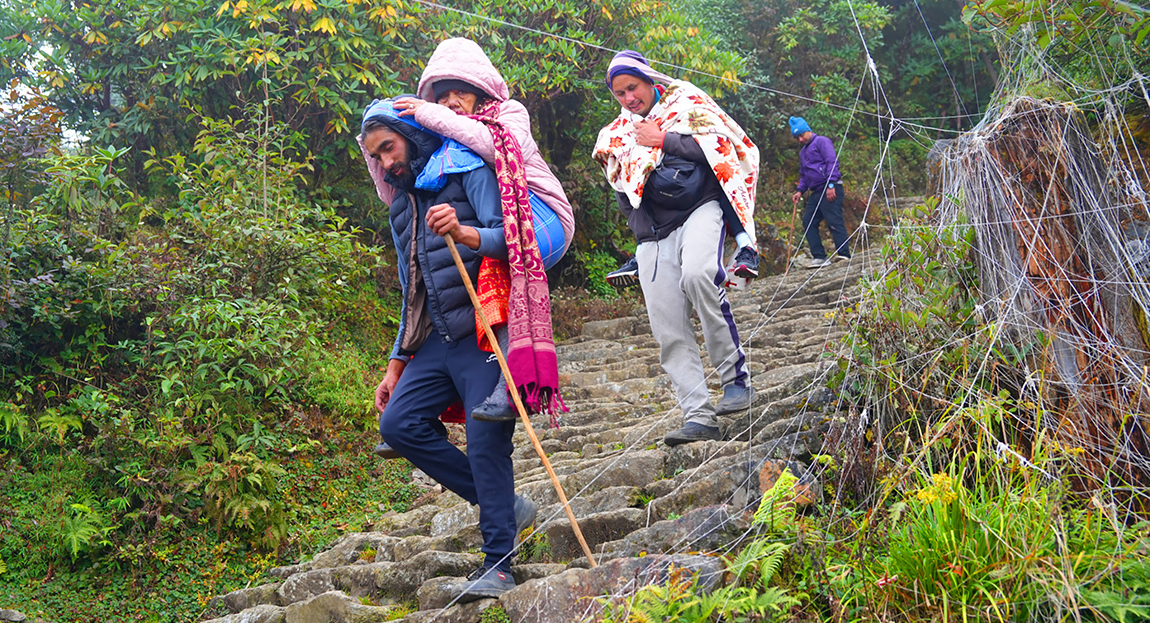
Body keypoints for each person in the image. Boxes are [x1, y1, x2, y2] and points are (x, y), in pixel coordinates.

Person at [362, 97, 535, 601]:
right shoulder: (402, 205)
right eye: (376, 157)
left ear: (410, 136)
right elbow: (411, 289)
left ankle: (499, 564)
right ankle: (503, 502)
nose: (387, 162)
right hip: (436, 338)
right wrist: (396, 364)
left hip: (484, 326)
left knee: (485, 435)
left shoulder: (468, 170)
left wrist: (463, 232)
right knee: (397, 424)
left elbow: (514, 236)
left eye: (389, 148)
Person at [363, 37, 569, 437]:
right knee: (488, 263)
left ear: (480, 89)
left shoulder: (506, 114)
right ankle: (458, 403)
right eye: (442, 96)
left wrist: (427, 113)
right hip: (515, 219)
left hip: (544, 218)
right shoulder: (452, 146)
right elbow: (394, 187)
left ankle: (512, 383)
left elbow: (491, 144)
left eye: (461, 90)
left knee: (493, 264)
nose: (452, 101)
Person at [593, 50, 757, 446]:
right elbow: (622, 187)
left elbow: (723, 150)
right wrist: (640, 237)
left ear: (649, 80)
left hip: (700, 208)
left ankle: (735, 380)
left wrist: (663, 139)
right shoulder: (615, 133)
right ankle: (698, 415)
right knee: (666, 324)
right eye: (619, 93)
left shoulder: (687, 103)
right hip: (652, 232)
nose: (628, 98)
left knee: (700, 275)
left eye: (632, 87)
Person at [789, 116, 850, 268]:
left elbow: (832, 161)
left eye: (802, 135)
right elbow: (804, 174)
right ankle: (819, 256)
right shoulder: (803, 153)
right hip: (816, 191)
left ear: (808, 130)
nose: (801, 139)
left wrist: (831, 184)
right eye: (797, 138)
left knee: (834, 220)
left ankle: (844, 254)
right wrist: (799, 191)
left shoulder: (822, 141)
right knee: (808, 220)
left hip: (830, 187)